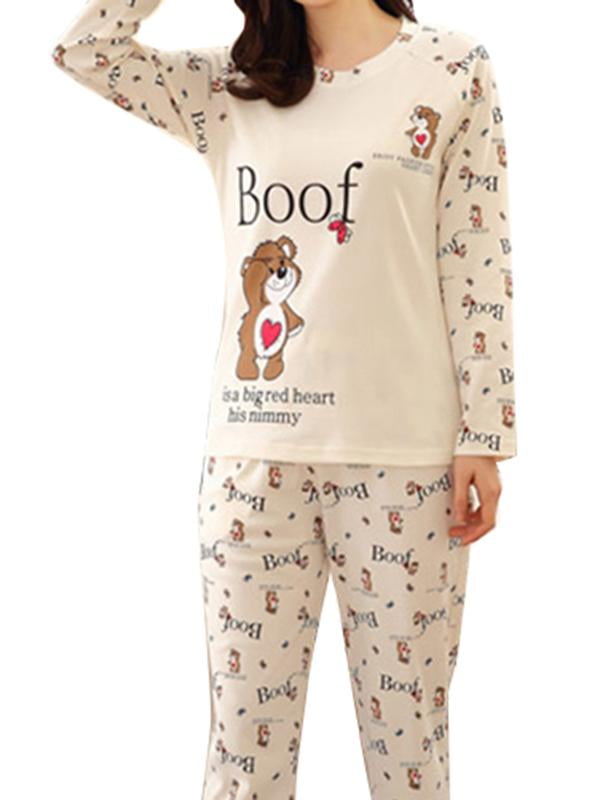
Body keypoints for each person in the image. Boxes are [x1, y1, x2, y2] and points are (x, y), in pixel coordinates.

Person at [51, 0, 517, 797]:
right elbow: (86, 51)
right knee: (244, 763)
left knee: (410, 756)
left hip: (404, 461)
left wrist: (485, 431)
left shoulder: (450, 67)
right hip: (254, 461)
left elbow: (476, 258)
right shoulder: (230, 84)